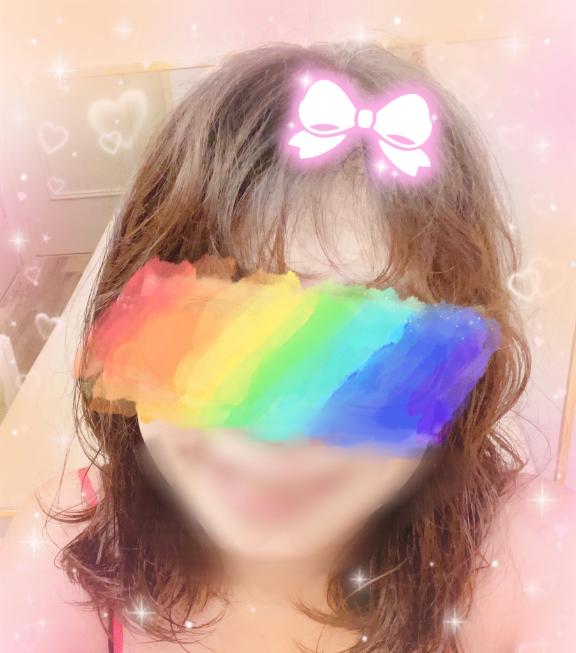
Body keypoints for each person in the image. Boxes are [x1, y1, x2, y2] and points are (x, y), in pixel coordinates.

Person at [1, 40, 575, 653]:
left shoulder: (528, 555)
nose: (279, 430)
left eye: (368, 358)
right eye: (218, 338)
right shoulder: (64, 552)